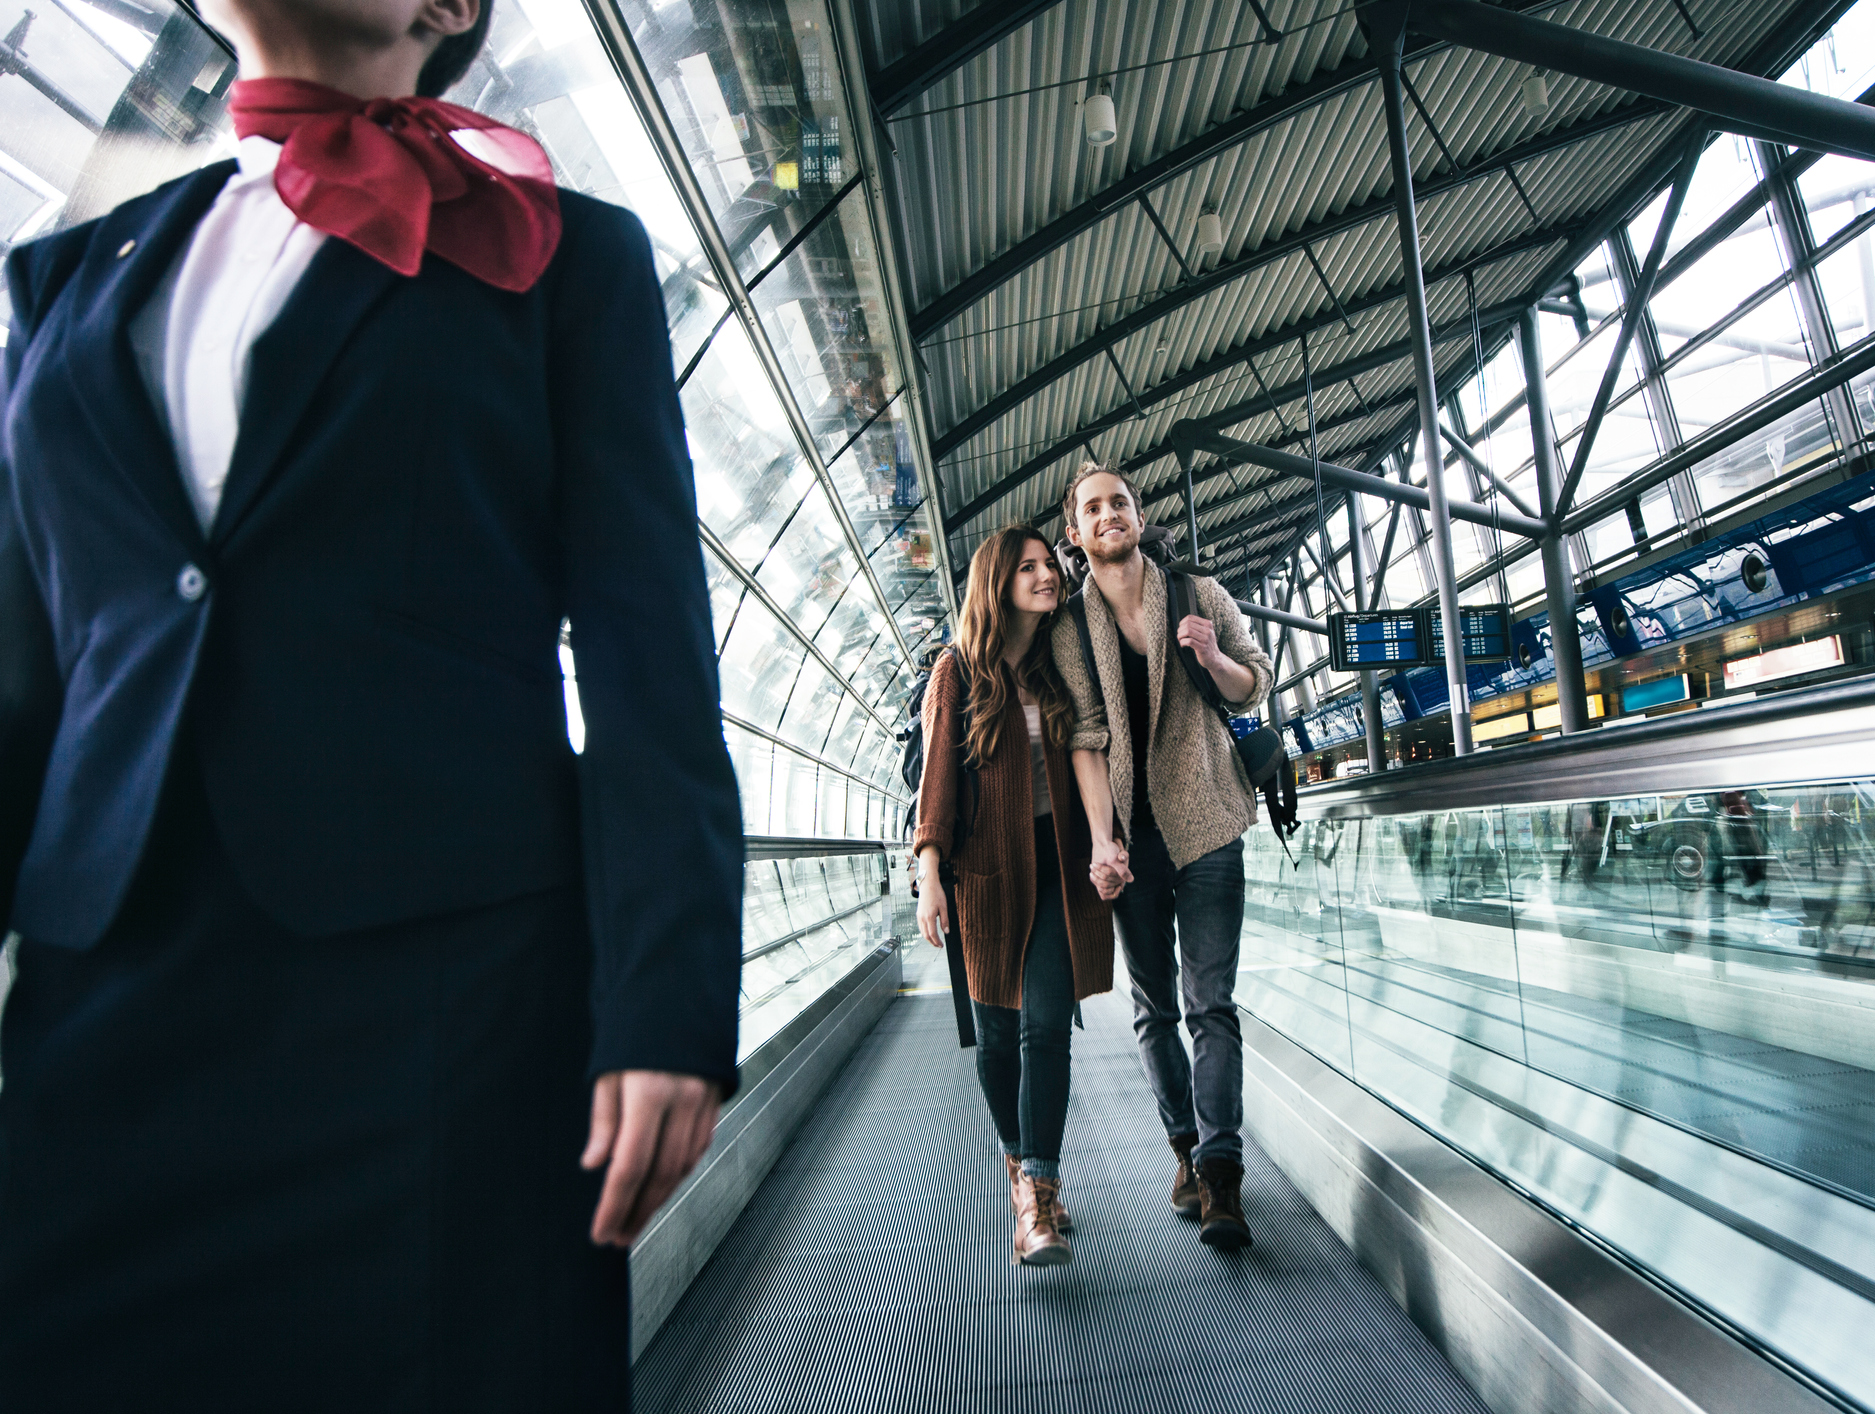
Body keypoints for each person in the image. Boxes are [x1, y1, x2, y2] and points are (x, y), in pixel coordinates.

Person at [0, 0, 743, 1408]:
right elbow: (23, 678)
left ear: (446, 9)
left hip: (446, 1017)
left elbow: (650, 661)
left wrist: (666, 1000)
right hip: (107, 1007)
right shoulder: (66, 279)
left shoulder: (565, 256)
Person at [1051, 463, 1274, 1251]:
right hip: (1131, 841)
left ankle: (1221, 1174)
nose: (1110, 513)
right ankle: (1182, 1145)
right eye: (1092, 508)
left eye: (1121, 501)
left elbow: (1255, 684)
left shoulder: (1198, 592)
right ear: (1074, 535)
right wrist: (1102, 839)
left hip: (1208, 820)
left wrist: (1212, 657)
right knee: (1155, 1009)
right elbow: (1082, 734)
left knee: (1210, 1004)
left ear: (1138, 517)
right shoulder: (1070, 627)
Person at [913, 525, 1115, 1267]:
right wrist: (928, 873)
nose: (1045, 575)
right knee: (998, 1040)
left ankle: (1039, 1192)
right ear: (996, 583)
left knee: (1044, 1028)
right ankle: (1017, 1160)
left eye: (1047, 564)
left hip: (1057, 870)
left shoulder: (1058, 667)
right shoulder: (959, 672)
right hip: (984, 876)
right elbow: (937, 779)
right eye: (1027, 567)